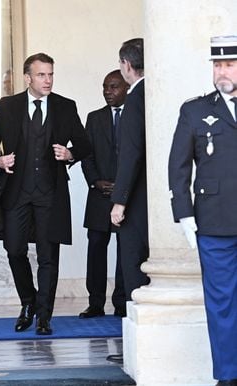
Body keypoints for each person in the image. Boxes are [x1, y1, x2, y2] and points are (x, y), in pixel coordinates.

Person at [0, 52, 91, 335]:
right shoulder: (9, 106)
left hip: (50, 194)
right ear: (27, 77)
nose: (48, 80)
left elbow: (84, 144)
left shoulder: (66, 107)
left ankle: (44, 316)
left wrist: (70, 153)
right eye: (41, 75)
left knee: (48, 256)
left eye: (51, 74)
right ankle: (28, 301)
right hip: (17, 192)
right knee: (14, 249)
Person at [168, 35, 237, 386]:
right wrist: (184, 215)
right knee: (222, 303)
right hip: (214, 223)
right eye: (217, 64)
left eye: (229, 64)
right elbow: (178, 166)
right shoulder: (195, 110)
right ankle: (228, 376)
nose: (221, 71)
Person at [108, 38, 150, 364]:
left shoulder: (136, 99)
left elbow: (131, 155)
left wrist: (119, 201)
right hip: (153, 200)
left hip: (137, 202)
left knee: (133, 270)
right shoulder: (155, 91)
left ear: (126, 65)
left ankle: (139, 348)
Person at [80, 70, 128, 319]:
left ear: (127, 88)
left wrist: (123, 186)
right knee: (96, 249)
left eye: (113, 87)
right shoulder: (94, 118)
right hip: (99, 196)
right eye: (105, 87)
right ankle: (95, 303)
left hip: (127, 197)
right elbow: (86, 154)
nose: (107, 92)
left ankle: (122, 303)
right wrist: (96, 181)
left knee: (125, 251)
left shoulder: (136, 115)